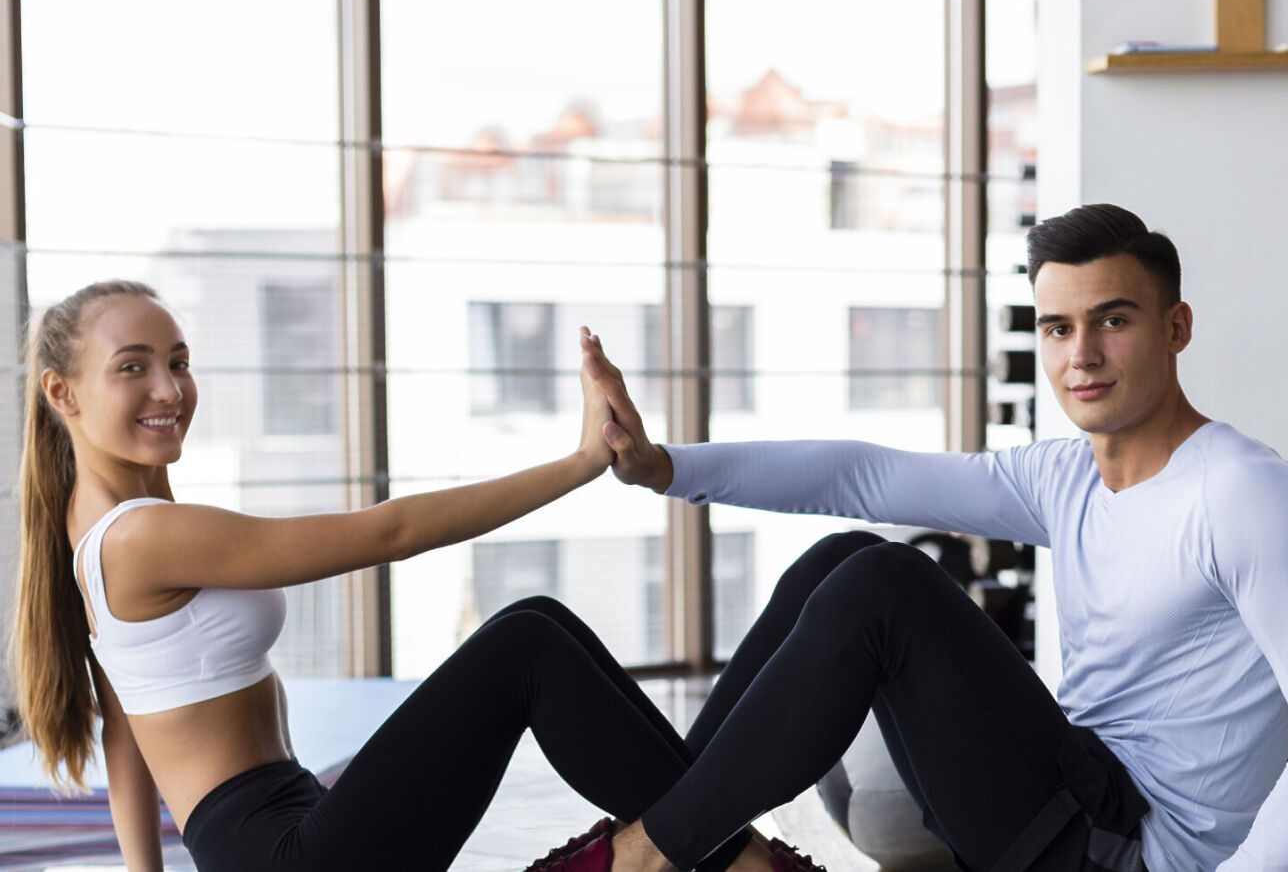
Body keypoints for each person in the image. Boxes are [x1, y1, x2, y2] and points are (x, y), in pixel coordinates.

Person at [556, 203, 1288, 872]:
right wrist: (665, 466)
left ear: (1176, 327)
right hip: (1070, 798)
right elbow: (866, 475)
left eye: (1113, 321)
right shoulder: (1068, 475)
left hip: (1133, 849)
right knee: (844, 558)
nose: (1082, 355)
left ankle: (643, 856)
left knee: (884, 584)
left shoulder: (1248, 494)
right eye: (1059, 328)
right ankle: (688, 836)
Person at [8, 280, 822, 872]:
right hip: (286, 856)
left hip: (294, 828)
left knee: (544, 628)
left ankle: (726, 846)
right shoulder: (143, 536)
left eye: (179, 361)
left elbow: (125, 729)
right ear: (62, 392)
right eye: (133, 367)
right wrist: (580, 464)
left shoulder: (97, 532)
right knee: (527, 643)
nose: (169, 388)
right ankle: (741, 858)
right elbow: (389, 531)